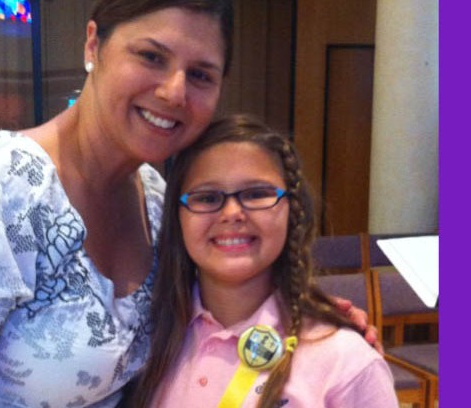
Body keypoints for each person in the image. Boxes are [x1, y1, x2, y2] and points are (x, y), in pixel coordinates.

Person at [0, 1, 377, 407]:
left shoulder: (156, 199)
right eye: (151, 56)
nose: (174, 91)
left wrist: (309, 319)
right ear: (93, 46)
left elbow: (213, 303)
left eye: (200, 74)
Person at [130, 114, 398, 407]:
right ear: (177, 216)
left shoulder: (346, 362)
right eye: (207, 198)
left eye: (257, 194)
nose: (232, 213)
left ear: (292, 209)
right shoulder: (144, 339)